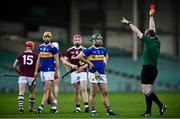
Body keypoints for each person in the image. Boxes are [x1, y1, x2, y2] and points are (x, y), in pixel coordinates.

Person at [121, 8, 167, 117]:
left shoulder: (148, 40)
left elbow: (137, 31)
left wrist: (129, 23)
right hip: (154, 69)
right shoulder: (157, 41)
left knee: (145, 90)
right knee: (148, 90)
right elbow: (152, 28)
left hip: (147, 69)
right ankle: (148, 111)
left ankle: (161, 106)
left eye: (146, 32)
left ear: (147, 35)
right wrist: (151, 16)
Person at [77, 33, 117, 116]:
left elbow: (106, 55)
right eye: (98, 39)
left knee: (105, 92)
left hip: (102, 73)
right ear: (94, 40)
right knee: (93, 93)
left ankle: (109, 110)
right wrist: (88, 62)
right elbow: (79, 56)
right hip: (93, 73)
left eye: (101, 39)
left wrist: (105, 61)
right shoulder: (89, 49)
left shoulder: (103, 49)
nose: (100, 40)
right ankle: (93, 110)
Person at [64, 35, 89, 112]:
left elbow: (90, 62)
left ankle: (86, 106)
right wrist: (71, 66)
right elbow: (65, 61)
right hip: (74, 73)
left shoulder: (84, 49)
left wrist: (83, 67)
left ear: (81, 41)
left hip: (83, 72)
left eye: (78, 40)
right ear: (73, 41)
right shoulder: (70, 50)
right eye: (76, 40)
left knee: (84, 88)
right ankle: (78, 108)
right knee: (76, 91)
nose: (77, 41)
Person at [13, 41, 38, 112]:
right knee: (32, 92)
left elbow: (14, 66)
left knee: (21, 92)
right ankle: (31, 108)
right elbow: (39, 66)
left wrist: (19, 73)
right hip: (31, 76)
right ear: (32, 46)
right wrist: (37, 72)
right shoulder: (35, 55)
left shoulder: (21, 54)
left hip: (22, 76)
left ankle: (21, 107)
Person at [51, 42, 78, 106]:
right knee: (56, 85)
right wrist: (69, 67)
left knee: (48, 88)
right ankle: (55, 99)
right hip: (56, 70)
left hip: (48, 71)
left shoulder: (48, 52)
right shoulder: (58, 53)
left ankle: (51, 99)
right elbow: (64, 61)